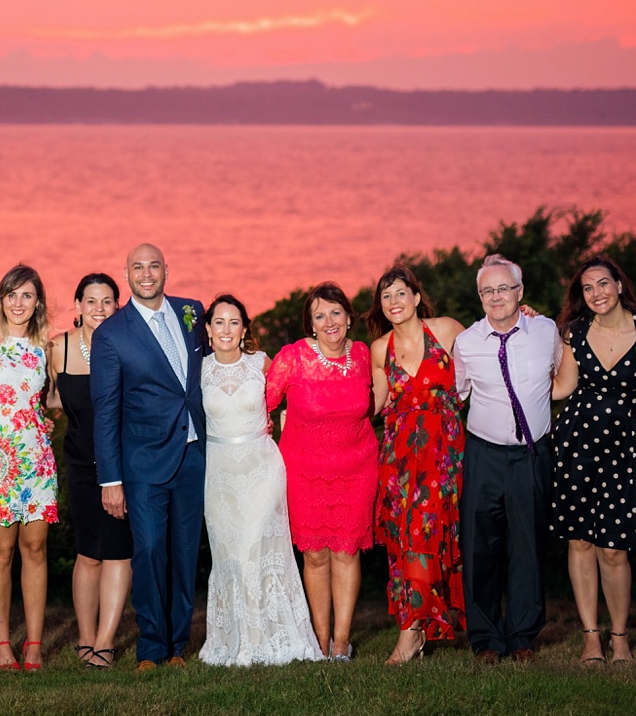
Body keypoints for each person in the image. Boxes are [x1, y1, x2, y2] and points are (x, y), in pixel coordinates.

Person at [549, 256, 636, 665]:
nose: (596, 293)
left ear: (619, 286)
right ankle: (591, 639)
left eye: (603, 284)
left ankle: (620, 638)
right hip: (578, 445)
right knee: (580, 541)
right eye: (587, 288)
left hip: (628, 448)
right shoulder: (574, 334)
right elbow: (562, 387)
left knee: (615, 549)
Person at [90, 243, 208, 671]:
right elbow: (107, 411)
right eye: (137, 267)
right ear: (126, 275)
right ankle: (151, 647)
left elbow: (211, 369)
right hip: (142, 464)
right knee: (150, 551)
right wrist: (110, 480)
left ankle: (179, 645)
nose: (146, 273)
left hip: (195, 456)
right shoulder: (112, 334)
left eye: (153, 265)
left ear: (166, 270)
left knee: (185, 553)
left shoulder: (192, 312)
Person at [198, 294, 325, 666]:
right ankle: (233, 639)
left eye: (234, 322)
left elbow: (292, 399)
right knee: (230, 557)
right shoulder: (200, 370)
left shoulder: (261, 363)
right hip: (219, 474)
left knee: (255, 547)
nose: (226, 330)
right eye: (218, 322)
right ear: (208, 330)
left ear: (244, 329)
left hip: (261, 468)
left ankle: (261, 642)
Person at [452, 253, 561, 665]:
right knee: (480, 549)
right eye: (487, 290)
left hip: (532, 456)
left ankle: (522, 637)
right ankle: (485, 639)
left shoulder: (546, 330)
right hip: (482, 454)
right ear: (479, 297)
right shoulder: (466, 343)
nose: (496, 297)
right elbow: (456, 395)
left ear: (520, 292)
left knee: (528, 545)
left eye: (503, 288)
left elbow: (563, 376)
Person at [266, 282, 377, 662]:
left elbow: (378, 400)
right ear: (310, 325)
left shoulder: (363, 355)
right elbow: (262, 401)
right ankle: (320, 639)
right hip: (304, 470)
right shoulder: (292, 357)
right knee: (314, 555)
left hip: (357, 466)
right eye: (319, 315)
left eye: (335, 313)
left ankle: (342, 644)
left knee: (346, 552)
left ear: (348, 318)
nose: (329, 321)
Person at [366, 265, 468, 665]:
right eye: (386, 296)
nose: (393, 302)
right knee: (404, 538)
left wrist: (526, 323)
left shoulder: (446, 330)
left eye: (400, 293)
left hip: (442, 452)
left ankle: (411, 636)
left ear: (416, 297)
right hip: (398, 456)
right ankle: (415, 626)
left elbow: (493, 352)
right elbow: (374, 404)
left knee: (425, 532)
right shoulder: (380, 349)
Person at [0, 264, 59, 672]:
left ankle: (35, 646)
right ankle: (2, 643)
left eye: (27, 295)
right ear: (1, 299)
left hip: (37, 461)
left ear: (37, 301)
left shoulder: (47, 347)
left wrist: (48, 417)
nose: (19, 303)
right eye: (12, 294)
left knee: (36, 550)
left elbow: (57, 400)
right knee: (1, 552)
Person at [48, 272, 133, 670]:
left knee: (118, 553)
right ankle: (85, 637)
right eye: (91, 301)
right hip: (80, 463)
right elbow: (41, 396)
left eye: (107, 301)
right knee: (87, 554)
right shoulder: (58, 349)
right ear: (78, 306)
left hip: (124, 465)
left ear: (118, 306)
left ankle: (105, 642)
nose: (99, 309)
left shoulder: (128, 346)